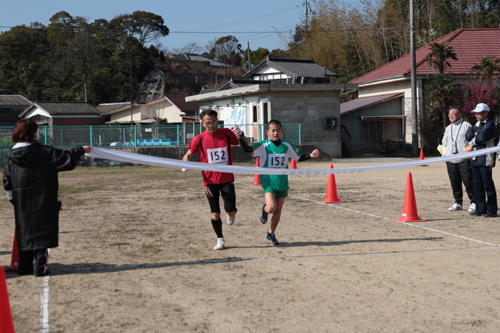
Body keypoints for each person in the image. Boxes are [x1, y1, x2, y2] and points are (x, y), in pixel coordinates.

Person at [3, 118, 91, 276]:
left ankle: (24, 267)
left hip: (21, 203)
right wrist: (81, 150)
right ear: (29, 134)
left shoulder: (11, 157)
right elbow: (65, 158)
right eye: (35, 131)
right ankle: (40, 266)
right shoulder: (44, 152)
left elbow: (7, 182)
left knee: (25, 233)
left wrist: (13, 200)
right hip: (43, 199)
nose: (37, 134)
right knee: (42, 233)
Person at [236, 119, 320, 245]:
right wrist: (240, 137)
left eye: (278, 130)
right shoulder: (263, 146)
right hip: (269, 181)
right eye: (273, 130)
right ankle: (264, 210)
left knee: (278, 210)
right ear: (267, 132)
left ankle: (271, 233)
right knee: (271, 207)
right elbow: (247, 149)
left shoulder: (287, 145)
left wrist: (311, 155)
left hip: (282, 182)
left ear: (282, 131)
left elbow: (298, 157)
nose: (275, 133)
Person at [182, 109, 241, 250]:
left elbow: (238, 142)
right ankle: (220, 239)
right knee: (215, 212)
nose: (211, 125)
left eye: (214, 122)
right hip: (209, 182)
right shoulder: (199, 139)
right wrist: (184, 164)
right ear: (202, 124)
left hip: (227, 179)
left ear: (217, 121)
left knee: (230, 210)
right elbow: (188, 154)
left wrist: (239, 134)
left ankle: (231, 213)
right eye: (208, 123)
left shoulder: (226, 133)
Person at [465, 103, 498, 217]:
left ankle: (492, 209)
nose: (476, 115)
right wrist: (475, 135)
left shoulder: (490, 124)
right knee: (477, 184)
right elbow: (467, 135)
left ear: (486, 113)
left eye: (479, 113)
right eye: (476, 113)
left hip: (486, 158)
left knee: (488, 184)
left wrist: (475, 137)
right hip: (475, 158)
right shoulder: (476, 124)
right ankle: (480, 208)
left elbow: (483, 138)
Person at [441, 107, 476, 212]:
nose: (451, 116)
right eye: (449, 114)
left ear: (460, 115)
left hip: (464, 158)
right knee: (454, 182)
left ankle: (474, 202)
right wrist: (445, 155)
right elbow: (444, 142)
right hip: (450, 159)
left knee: (468, 181)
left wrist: (469, 154)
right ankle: (458, 202)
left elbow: (471, 142)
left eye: (453, 114)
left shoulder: (467, 126)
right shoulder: (448, 128)